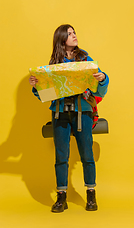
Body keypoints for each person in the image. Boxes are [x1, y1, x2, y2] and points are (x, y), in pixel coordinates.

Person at [29, 24, 109, 212]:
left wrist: (102, 78)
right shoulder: (53, 65)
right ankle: (61, 197)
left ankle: (91, 195)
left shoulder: (85, 59)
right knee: (61, 157)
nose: (74, 36)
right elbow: (45, 95)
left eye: (75, 33)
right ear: (62, 39)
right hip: (60, 113)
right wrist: (36, 86)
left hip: (83, 112)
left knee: (87, 155)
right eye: (70, 33)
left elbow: (101, 90)